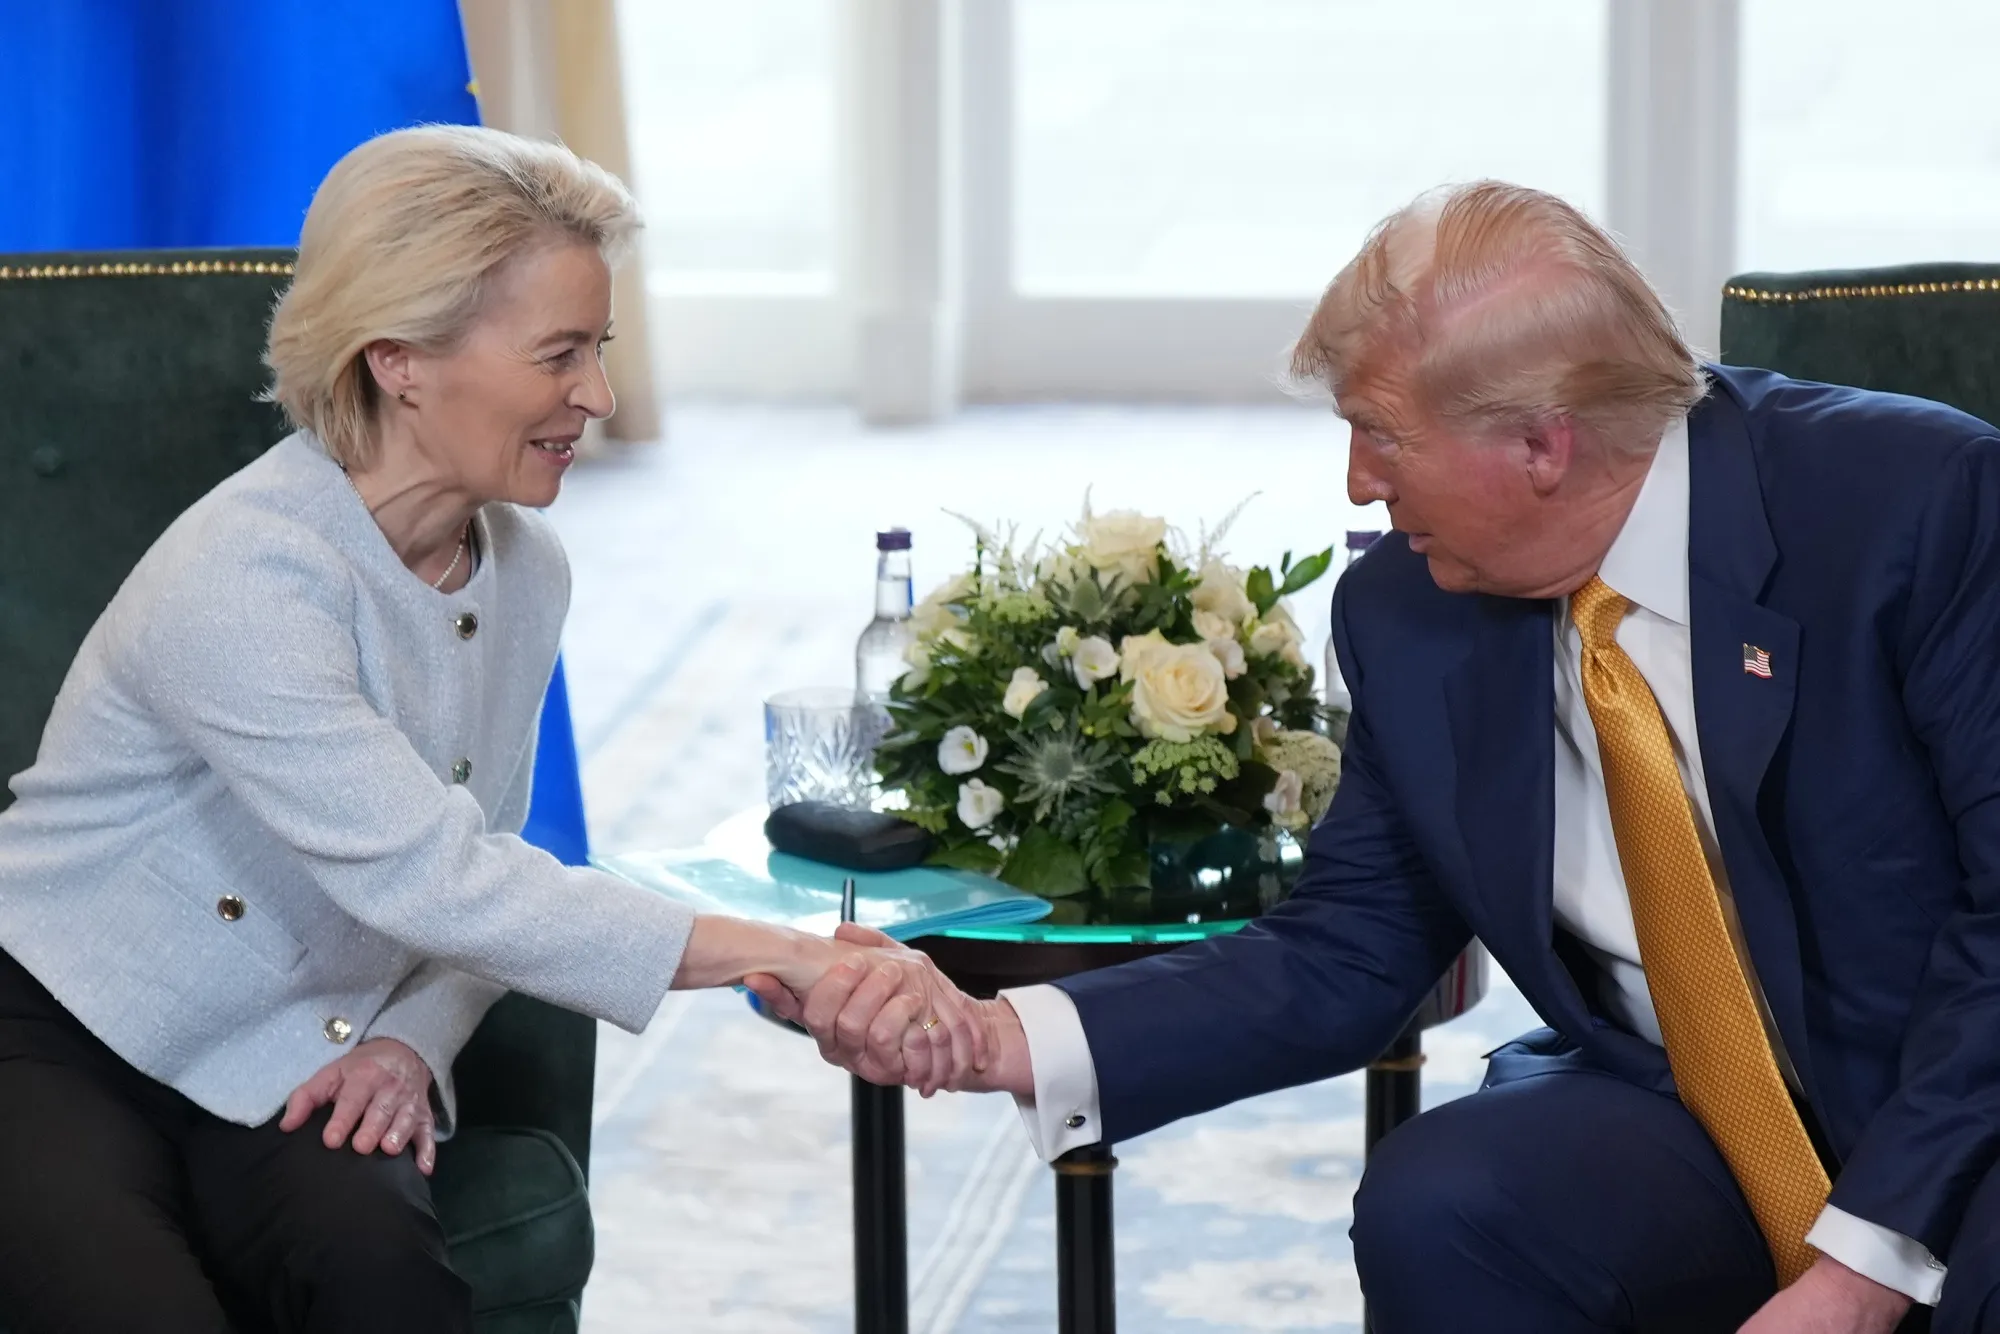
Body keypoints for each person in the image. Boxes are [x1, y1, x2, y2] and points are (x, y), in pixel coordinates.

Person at [757, 182, 2000, 1332]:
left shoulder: (1915, 505)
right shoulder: (1410, 610)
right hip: (1687, 1106)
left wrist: (1855, 1274)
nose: (1357, 484)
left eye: (1379, 435)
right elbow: (1345, 946)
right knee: (1445, 1198)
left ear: (1542, 445)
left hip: (1959, 1105)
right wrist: (988, 1035)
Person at [0, 124, 979, 1333]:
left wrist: (410, 1043)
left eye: (598, 348)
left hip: (292, 1036)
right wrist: (788, 952)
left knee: (389, 1283)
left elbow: (487, 860)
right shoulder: (246, 578)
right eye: (558, 353)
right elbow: (438, 877)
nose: (598, 397)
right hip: (60, 1027)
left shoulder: (524, 567)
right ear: (399, 359)